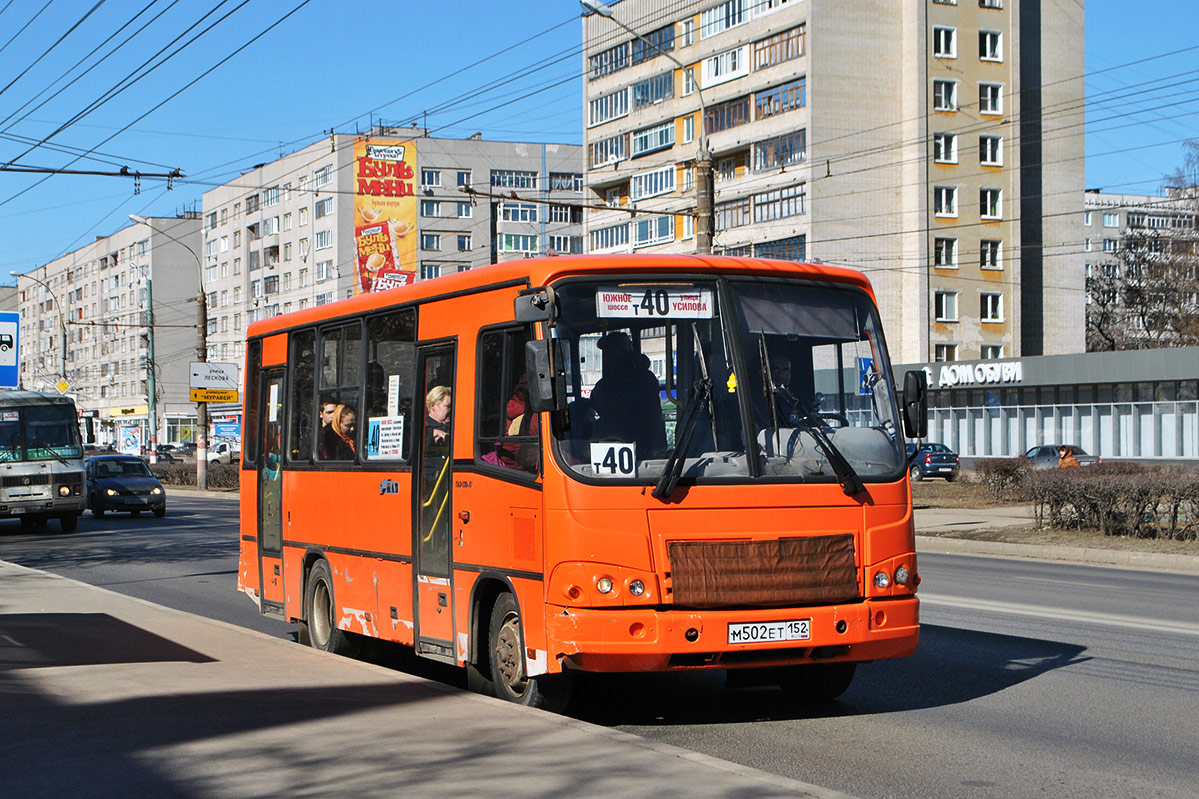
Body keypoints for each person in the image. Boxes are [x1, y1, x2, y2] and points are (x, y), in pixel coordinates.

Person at [589, 331, 667, 459]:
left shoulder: (620, 381)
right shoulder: (645, 376)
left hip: (638, 444)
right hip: (647, 444)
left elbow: (604, 406)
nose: (606, 357)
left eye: (609, 352)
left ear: (619, 352)